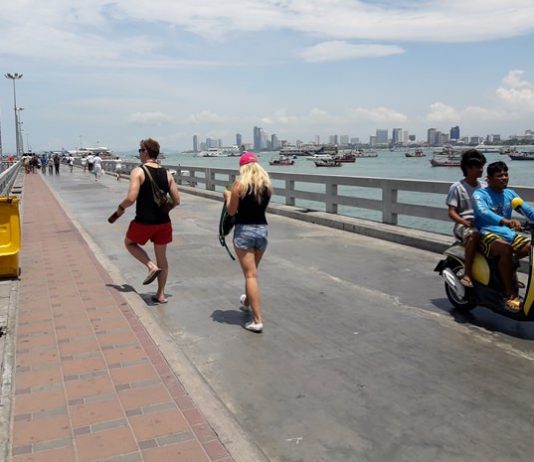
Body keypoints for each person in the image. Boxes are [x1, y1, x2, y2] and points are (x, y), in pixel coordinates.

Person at [109, 138, 180, 304]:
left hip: (144, 221)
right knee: (162, 257)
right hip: (163, 222)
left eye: (140, 150)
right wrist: (164, 209)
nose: (139, 153)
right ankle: (161, 295)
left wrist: (120, 208)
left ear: (146, 152)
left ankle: (150, 266)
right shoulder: (167, 173)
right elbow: (177, 200)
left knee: (129, 243)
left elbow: (131, 198)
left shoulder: (138, 171)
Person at [473, 161, 534, 312]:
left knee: (530, 247)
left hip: (508, 234)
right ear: (489, 179)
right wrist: (504, 221)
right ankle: (510, 293)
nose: (504, 178)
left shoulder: (510, 194)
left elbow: (527, 210)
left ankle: (506, 270)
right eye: (499, 175)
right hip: (486, 234)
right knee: (506, 250)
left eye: (506, 174)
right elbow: (483, 212)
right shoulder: (480, 195)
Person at [223, 152, 272, 333]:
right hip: (262, 230)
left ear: (243, 168)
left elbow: (231, 211)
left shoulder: (239, 185)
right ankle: (246, 302)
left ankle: (257, 320)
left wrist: (228, 196)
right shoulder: (266, 186)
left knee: (250, 275)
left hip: (244, 231)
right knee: (251, 272)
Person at [446, 149, 486, 287]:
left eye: (482, 166)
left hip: (483, 223)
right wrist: (464, 222)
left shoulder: (485, 187)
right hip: (464, 225)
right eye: (478, 167)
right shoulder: (457, 187)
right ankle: (467, 273)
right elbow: (451, 212)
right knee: (474, 235)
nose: (481, 170)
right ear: (468, 168)